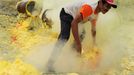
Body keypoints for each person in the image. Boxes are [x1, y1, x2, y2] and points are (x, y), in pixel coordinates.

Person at [46, 0, 117, 72]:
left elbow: (93, 30)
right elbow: (74, 23)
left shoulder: (97, 12)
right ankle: (50, 63)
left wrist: (94, 44)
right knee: (64, 37)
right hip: (67, 13)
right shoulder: (89, 8)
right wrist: (78, 44)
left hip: (75, 17)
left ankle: (71, 55)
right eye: (107, 6)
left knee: (82, 34)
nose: (107, 9)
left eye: (109, 7)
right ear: (101, 2)